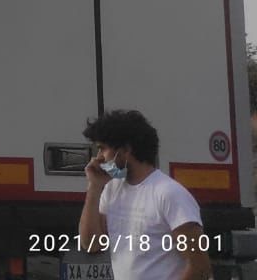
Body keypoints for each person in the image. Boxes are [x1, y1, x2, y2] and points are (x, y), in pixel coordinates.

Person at [78, 109, 212, 279]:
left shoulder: (169, 194)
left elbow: (200, 268)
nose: (99, 158)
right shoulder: (112, 190)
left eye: (103, 149)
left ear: (126, 149)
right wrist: (94, 187)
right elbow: (91, 244)